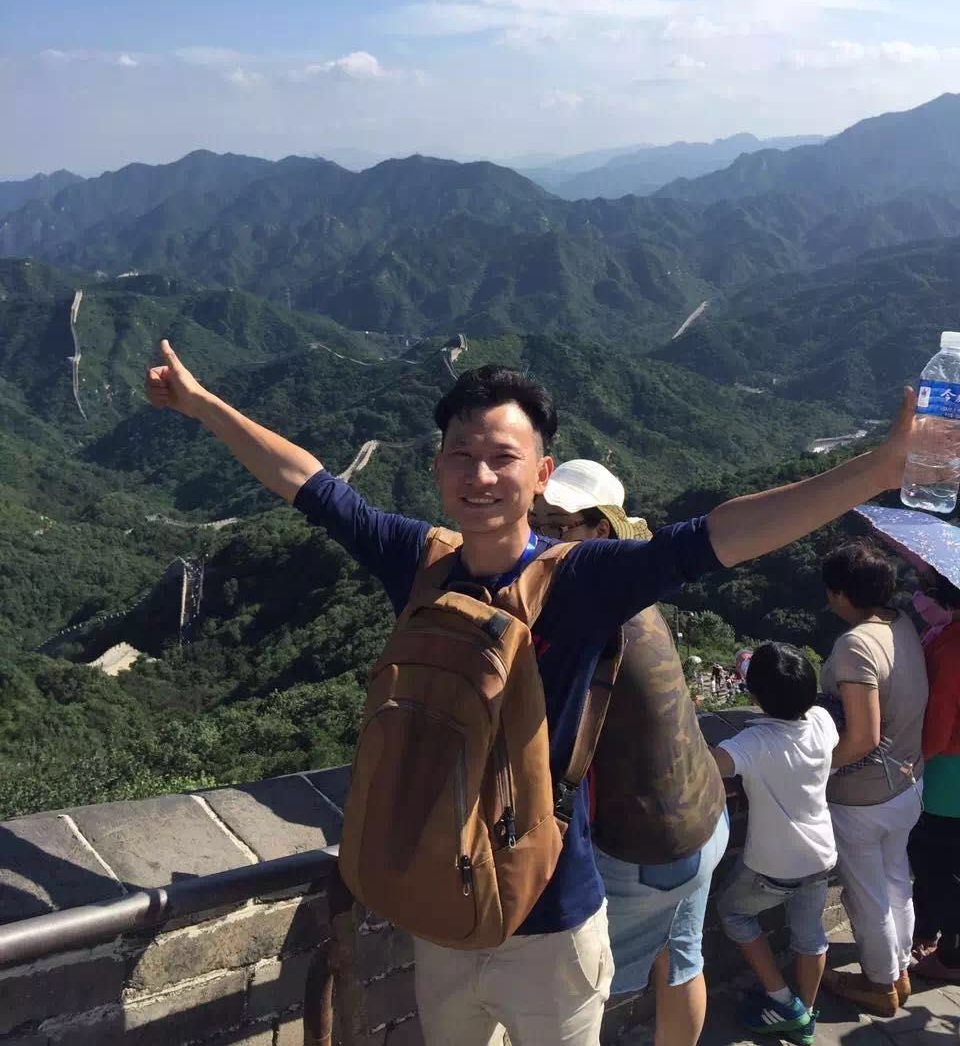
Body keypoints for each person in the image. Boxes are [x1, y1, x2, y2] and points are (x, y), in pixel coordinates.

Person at [145, 344, 921, 1046]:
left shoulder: (579, 580)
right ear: (439, 467)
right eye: (462, 456)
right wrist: (203, 405)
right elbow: (312, 487)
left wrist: (873, 472)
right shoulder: (422, 564)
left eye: (502, 458)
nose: (480, 476)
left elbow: (719, 537)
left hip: (553, 923)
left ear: (542, 474)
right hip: (443, 910)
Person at [532, 459, 729, 1046]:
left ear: (600, 529)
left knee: (568, 987)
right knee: (681, 957)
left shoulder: (583, 609)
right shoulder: (636, 593)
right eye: (534, 521)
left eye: (557, 525)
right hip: (704, 820)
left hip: (643, 846)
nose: (539, 537)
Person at [819, 540, 928, 1017]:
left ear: (841, 593)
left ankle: (880, 985)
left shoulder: (856, 644)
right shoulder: (901, 624)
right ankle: (900, 970)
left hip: (864, 795)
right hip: (908, 781)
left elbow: (862, 738)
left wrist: (817, 770)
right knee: (896, 879)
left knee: (867, 895)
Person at [712, 643, 837, 1044]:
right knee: (810, 935)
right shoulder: (822, 721)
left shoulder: (752, 743)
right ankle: (807, 1015)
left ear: (754, 698)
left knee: (733, 913)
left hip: (774, 865)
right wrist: (752, 671)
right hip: (821, 855)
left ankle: (785, 1003)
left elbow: (704, 764)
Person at [908, 568, 960, 982]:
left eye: (928, 591)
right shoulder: (941, 633)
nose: (920, 598)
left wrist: (913, 763)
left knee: (938, 863)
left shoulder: (952, 647)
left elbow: (940, 724)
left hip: (947, 771)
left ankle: (948, 958)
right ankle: (931, 935)